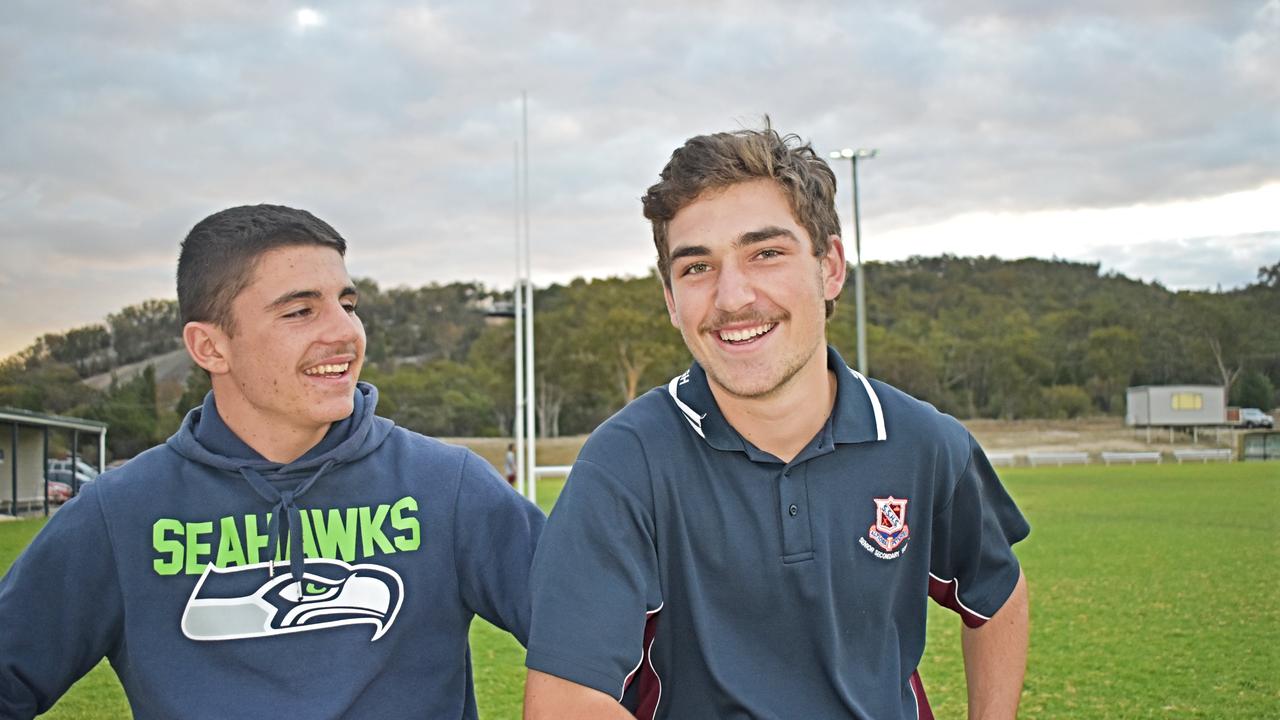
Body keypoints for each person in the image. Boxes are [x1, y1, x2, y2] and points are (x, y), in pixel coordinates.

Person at [524, 125, 1030, 719]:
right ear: (670, 299)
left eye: (766, 253)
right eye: (696, 268)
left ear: (830, 266)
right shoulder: (626, 464)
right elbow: (565, 702)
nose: (733, 297)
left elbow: (995, 594)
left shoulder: (924, 443)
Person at [0, 204, 545, 719]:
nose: (345, 333)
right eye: (300, 311)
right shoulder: (121, 513)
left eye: (347, 305)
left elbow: (606, 644)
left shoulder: (446, 487)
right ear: (210, 347)